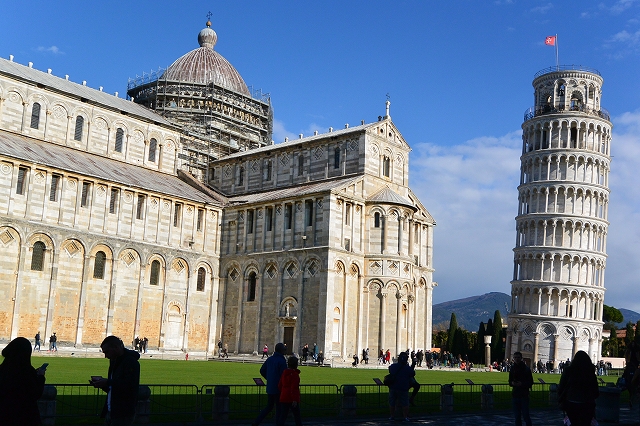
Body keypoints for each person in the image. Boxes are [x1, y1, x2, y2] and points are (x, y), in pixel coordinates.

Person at [91, 335, 141, 426]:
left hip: (123, 412)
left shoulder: (131, 362)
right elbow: (114, 387)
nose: (106, 356)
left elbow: (129, 385)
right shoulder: (114, 361)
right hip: (112, 410)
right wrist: (102, 384)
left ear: (116, 348)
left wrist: (107, 382)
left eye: (107, 352)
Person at [0, 337, 47, 426]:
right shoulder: (27, 372)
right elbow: (36, 393)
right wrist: (40, 377)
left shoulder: (2, 370)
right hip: (25, 416)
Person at [558, 350, 599, 426]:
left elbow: (562, 387)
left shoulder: (568, 371)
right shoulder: (590, 372)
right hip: (587, 403)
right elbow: (595, 390)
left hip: (571, 403)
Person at [252, 342, 287, 426]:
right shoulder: (282, 361)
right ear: (281, 350)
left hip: (270, 387)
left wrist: (269, 378)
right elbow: (284, 375)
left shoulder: (270, 359)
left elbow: (262, 370)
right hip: (279, 388)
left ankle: (256, 422)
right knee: (279, 408)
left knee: (269, 407)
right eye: (284, 349)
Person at [387, 351, 415, 421]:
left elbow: (390, 370)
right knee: (405, 403)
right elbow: (412, 373)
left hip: (393, 387)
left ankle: (392, 416)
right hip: (403, 387)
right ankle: (405, 417)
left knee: (392, 402)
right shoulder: (407, 368)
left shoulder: (393, 366)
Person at [277, 356, 302, 426]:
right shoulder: (295, 375)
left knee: (283, 416)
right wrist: (294, 399)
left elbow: (279, 385)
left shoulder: (284, 373)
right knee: (297, 416)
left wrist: (283, 393)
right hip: (292, 398)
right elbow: (294, 388)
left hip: (284, 397)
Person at [509, 351, 533, 426]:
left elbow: (531, 382)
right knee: (517, 417)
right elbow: (509, 381)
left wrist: (522, 384)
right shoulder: (512, 368)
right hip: (515, 395)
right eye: (515, 357)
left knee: (526, 416)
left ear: (521, 358)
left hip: (524, 395)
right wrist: (512, 383)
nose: (517, 359)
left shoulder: (526, 369)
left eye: (518, 357)